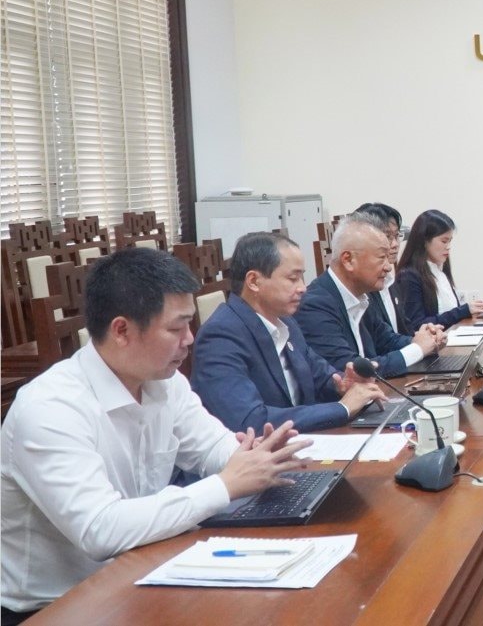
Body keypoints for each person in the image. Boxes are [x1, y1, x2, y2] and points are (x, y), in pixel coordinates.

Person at [0, 248, 309, 620]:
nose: (190, 339)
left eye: (189, 325)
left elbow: (211, 445)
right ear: (122, 331)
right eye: (176, 329)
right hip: (55, 608)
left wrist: (255, 457)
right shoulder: (50, 408)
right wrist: (226, 485)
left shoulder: (164, 381)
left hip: (142, 570)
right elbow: (100, 530)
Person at [192, 232, 388, 433]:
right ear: (254, 281)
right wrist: (343, 408)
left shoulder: (285, 322)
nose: (303, 288)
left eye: (302, 277)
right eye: (293, 278)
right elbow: (250, 420)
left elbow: (319, 375)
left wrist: (341, 385)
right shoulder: (221, 336)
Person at [295, 212, 447, 378]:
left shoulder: (361, 296)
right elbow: (351, 371)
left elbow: (387, 340)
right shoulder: (315, 305)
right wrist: (417, 349)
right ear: (348, 260)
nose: (388, 267)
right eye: (381, 258)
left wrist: (425, 340)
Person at [396, 209, 483, 330]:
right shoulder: (409, 276)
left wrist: (477, 308)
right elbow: (417, 325)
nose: (448, 247)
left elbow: (450, 312)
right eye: (444, 241)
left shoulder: (439, 270)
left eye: (450, 241)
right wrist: (463, 311)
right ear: (425, 241)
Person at [354, 202, 409, 334]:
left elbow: (403, 328)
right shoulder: (362, 286)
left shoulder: (389, 279)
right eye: (388, 236)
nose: (395, 244)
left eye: (397, 236)